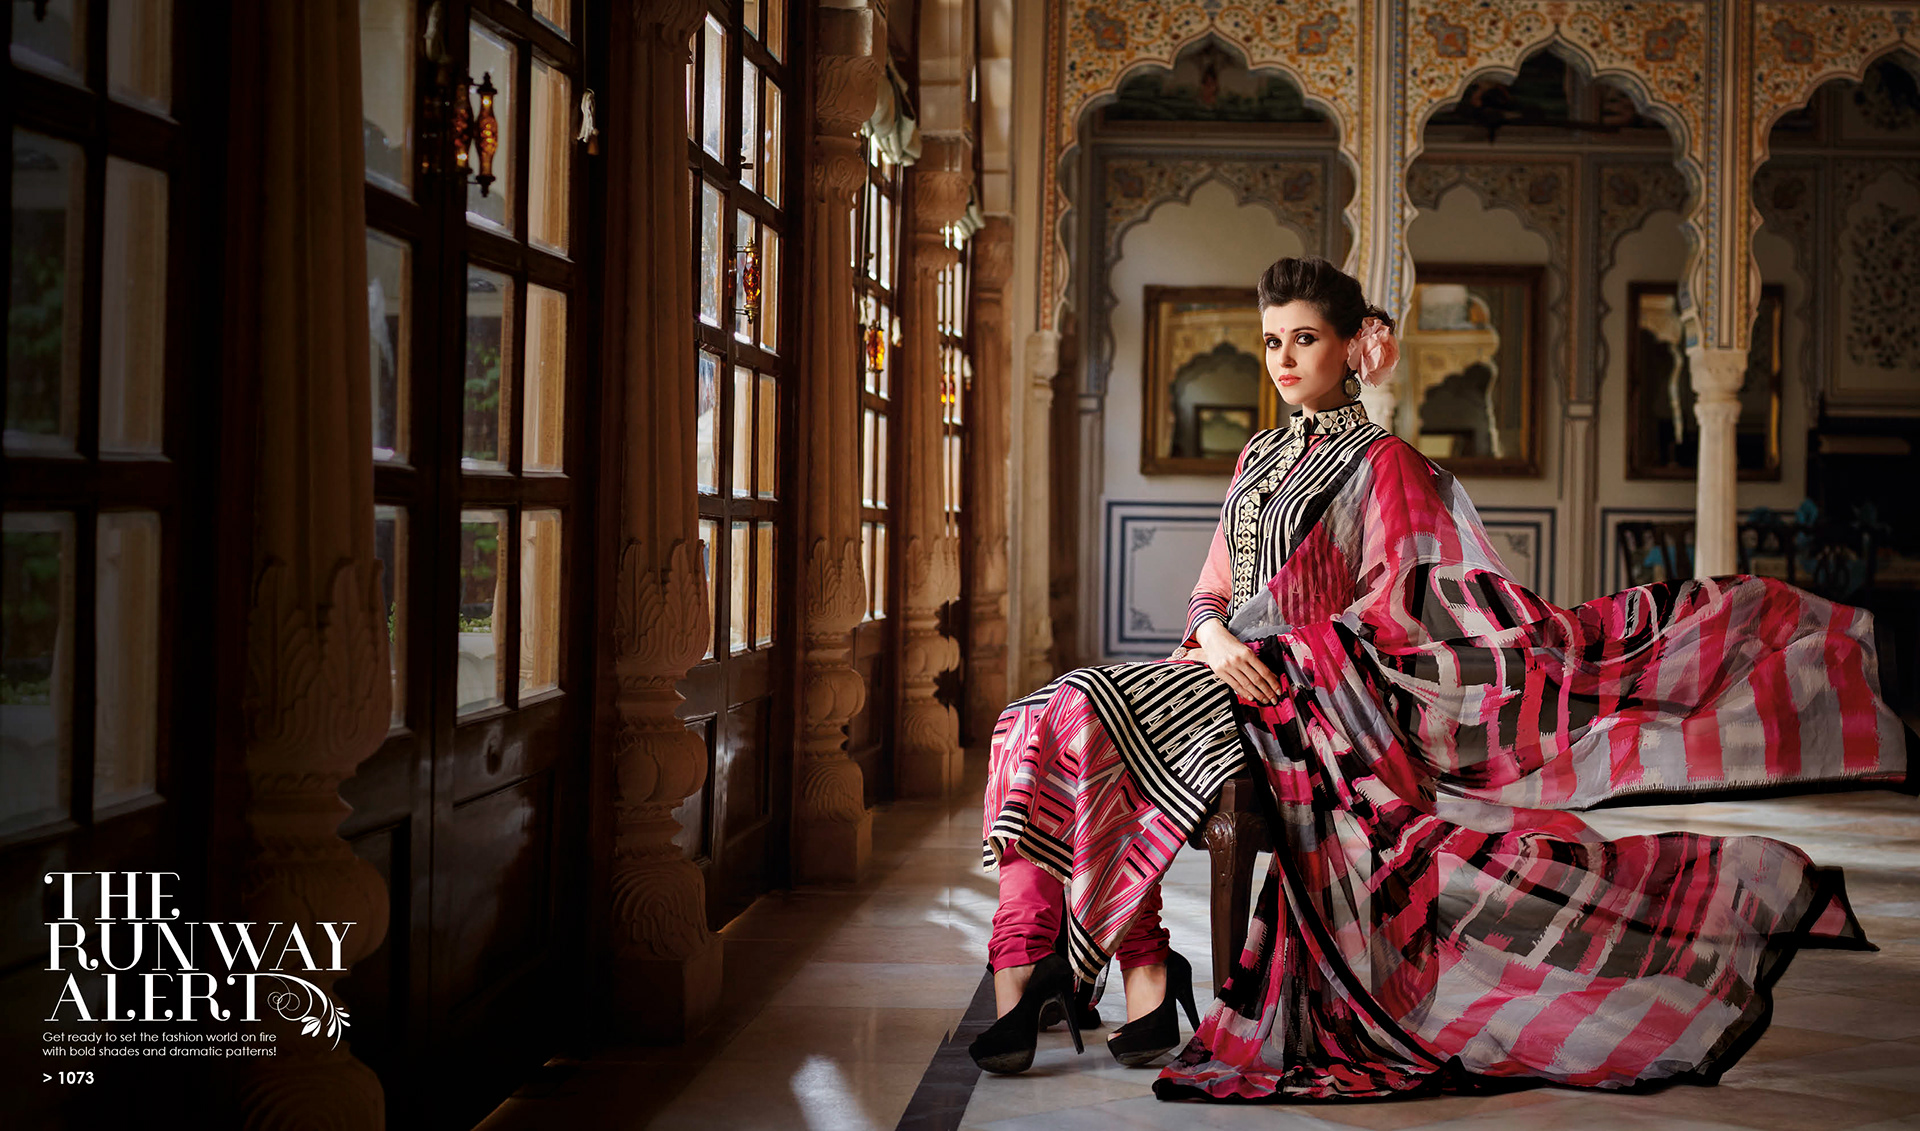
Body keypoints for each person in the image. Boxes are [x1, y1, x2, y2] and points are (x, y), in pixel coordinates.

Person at [971, 255, 1911, 1097]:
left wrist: (1287, 657)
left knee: (1078, 701)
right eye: (1271, 341)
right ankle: (1115, 968)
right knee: (1034, 713)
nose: (1284, 358)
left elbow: (1401, 616)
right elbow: (1210, 587)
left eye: (1305, 338)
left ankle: (1064, 970)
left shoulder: (1384, 465)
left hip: (1309, 703)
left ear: (1354, 346)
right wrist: (1216, 638)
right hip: (1223, 675)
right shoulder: (1258, 456)